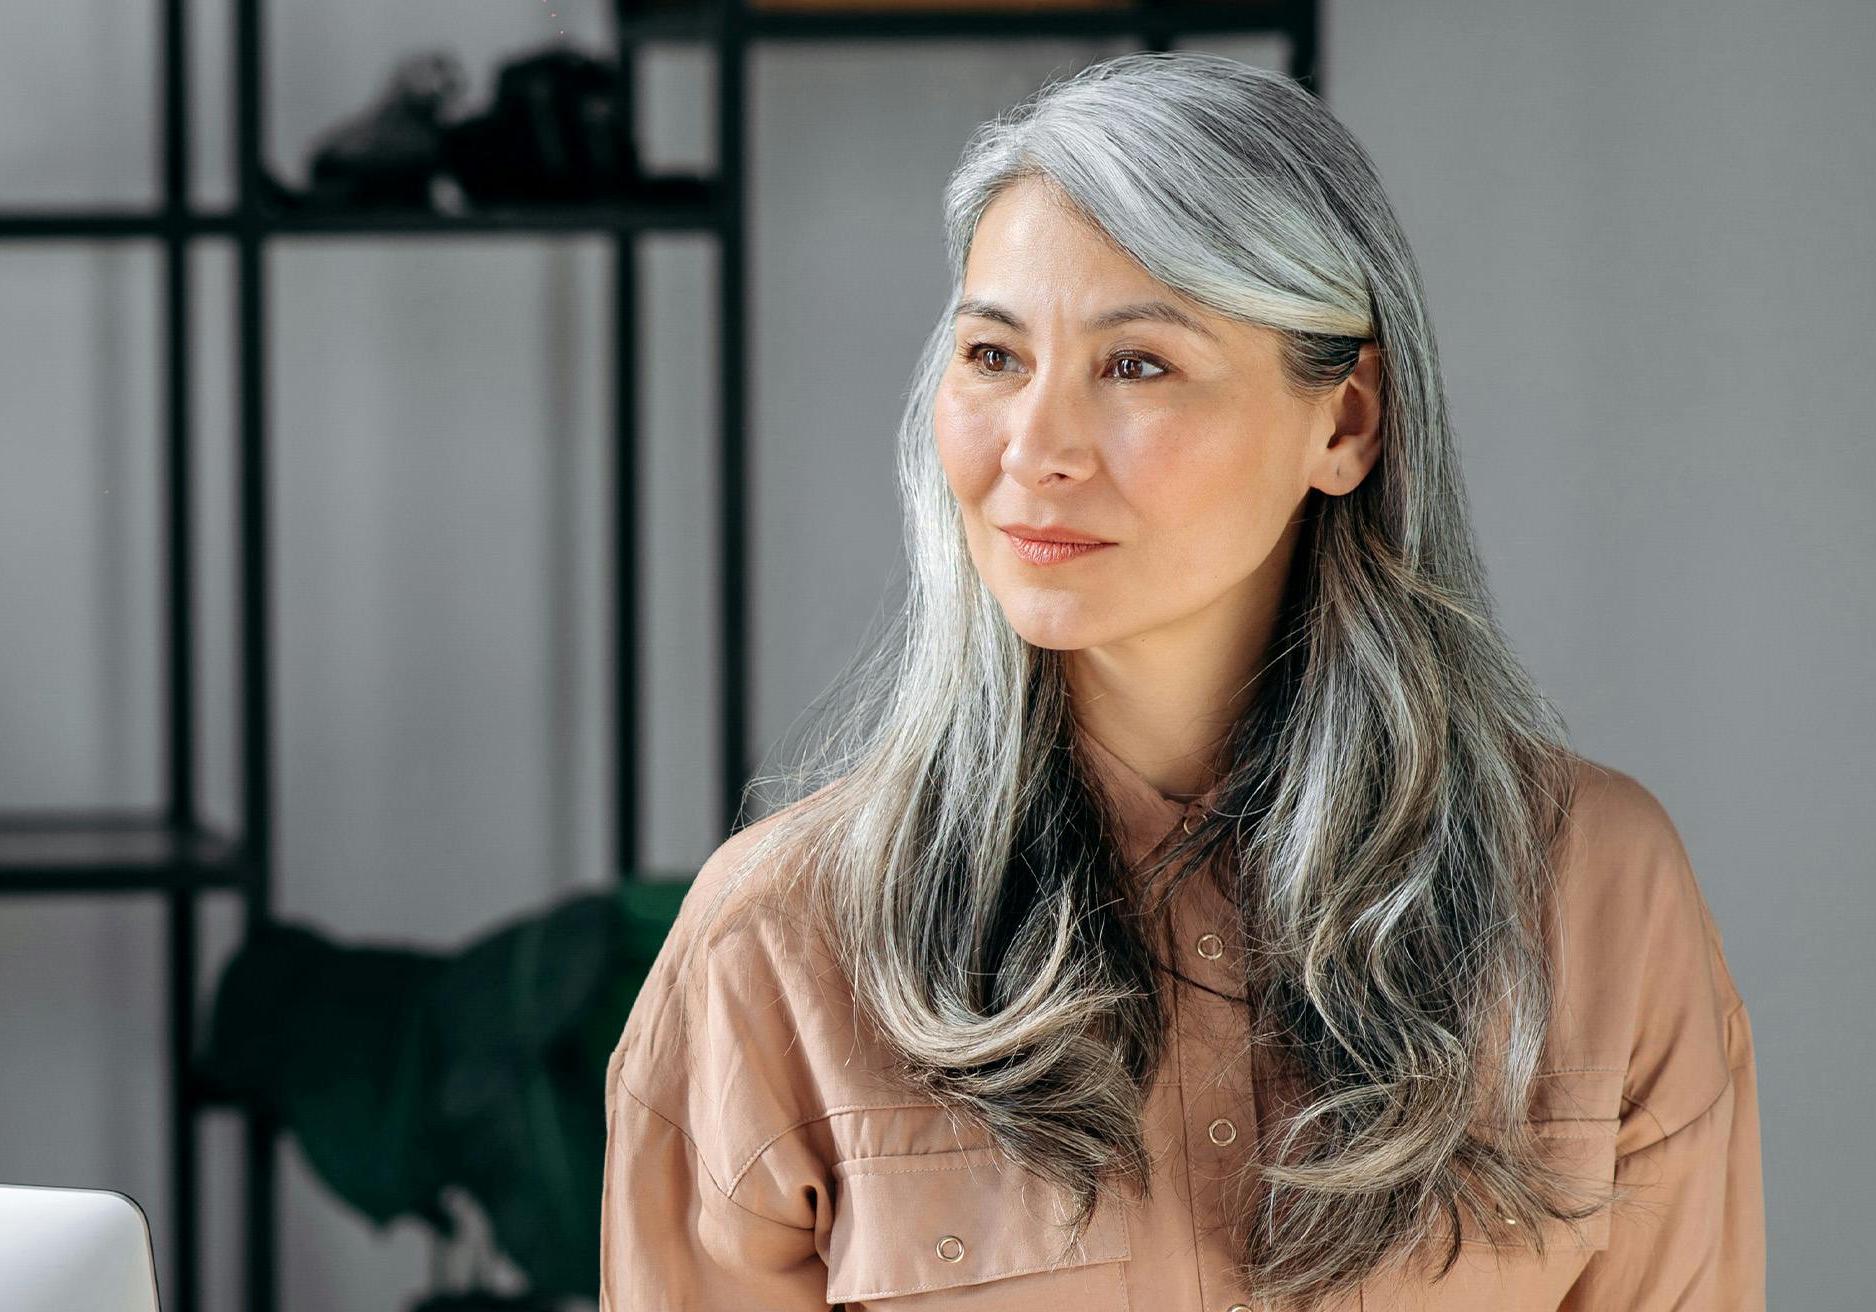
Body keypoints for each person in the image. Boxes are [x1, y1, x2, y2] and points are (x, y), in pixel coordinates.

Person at [597, 51, 1764, 1311]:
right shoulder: (776, 943)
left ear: (1347, 422)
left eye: (1136, 364)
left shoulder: (1598, 895)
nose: (1033, 449)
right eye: (994, 357)